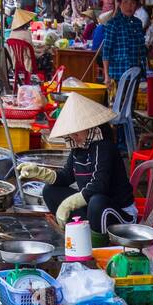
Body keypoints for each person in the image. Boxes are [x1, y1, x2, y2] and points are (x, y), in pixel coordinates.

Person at [21, 92, 136, 235]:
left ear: (91, 128)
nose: (74, 138)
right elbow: (66, 176)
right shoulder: (79, 147)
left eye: (77, 133)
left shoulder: (104, 146)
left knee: (96, 201)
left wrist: (68, 204)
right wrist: (39, 172)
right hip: (92, 208)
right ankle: (75, 233)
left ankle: (97, 245)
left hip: (118, 212)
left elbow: (99, 186)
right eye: (72, 134)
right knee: (50, 190)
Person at [101, 0, 147, 89]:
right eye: (126, 2)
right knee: (117, 104)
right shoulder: (113, 24)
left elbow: (142, 49)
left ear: (136, 5)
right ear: (119, 4)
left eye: (133, 3)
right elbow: (106, 50)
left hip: (135, 73)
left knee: (132, 103)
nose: (129, 6)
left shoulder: (138, 23)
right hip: (118, 74)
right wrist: (107, 76)